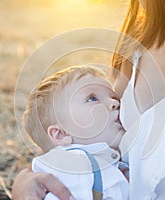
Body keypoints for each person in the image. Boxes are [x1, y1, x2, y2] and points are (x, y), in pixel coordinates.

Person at [13, 0, 165, 199]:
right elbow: (78, 137)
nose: (113, 103)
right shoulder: (140, 38)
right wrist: (28, 182)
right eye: (94, 98)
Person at [21, 65, 129, 200]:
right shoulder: (72, 164)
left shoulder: (110, 162)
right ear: (61, 134)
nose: (115, 103)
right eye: (92, 98)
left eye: (114, 97)